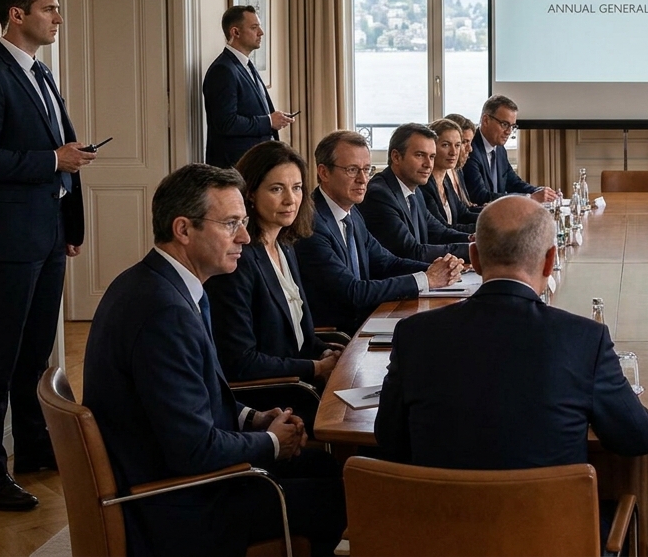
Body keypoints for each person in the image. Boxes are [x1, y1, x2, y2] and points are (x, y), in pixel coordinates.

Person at [83, 164, 345, 557]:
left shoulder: (163, 284)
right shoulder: (163, 312)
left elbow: (197, 397)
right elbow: (193, 450)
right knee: (341, 494)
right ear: (184, 230)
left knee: (332, 470)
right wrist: (272, 441)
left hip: (179, 474)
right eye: (230, 224)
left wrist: (253, 419)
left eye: (243, 222)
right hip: (179, 502)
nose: (244, 236)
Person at [374, 194, 648, 468]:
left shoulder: (415, 334)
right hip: (551, 515)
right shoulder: (585, 339)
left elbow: (389, 440)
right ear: (549, 260)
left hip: (438, 513)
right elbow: (636, 438)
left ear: (476, 257)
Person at [0, 0, 94, 511]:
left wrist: (71, 226)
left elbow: (59, 147)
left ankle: (35, 446)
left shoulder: (41, 73)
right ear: (17, 14)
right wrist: (51, 161)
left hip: (48, 233)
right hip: (6, 240)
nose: (57, 17)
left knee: (36, 353)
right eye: (49, 9)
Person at [204, 142, 340, 418]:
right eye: (277, 189)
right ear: (250, 194)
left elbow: (300, 334)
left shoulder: (286, 247)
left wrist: (326, 352)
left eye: (297, 187)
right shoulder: (238, 261)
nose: (291, 199)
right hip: (275, 397)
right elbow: (240, 362)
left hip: (301, 380)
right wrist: (315, 368)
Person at [296, 131, 463, 333]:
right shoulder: (311, 223)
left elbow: (386, 262)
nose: (363, 179)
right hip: (338, 335)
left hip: (367, 322)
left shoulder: (352, 213)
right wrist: (427, 279)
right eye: (352, 170)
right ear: (324, 173)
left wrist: (439, 269)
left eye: (367, 169)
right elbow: (353, 292)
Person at [358, 123, 471, 262]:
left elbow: (440, 233)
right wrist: (474, 250)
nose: (428, 164)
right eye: (420, 155)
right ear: (396, 157)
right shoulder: (379, 195)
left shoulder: (414, 191)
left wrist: (475, 240)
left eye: (431, 157)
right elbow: (411, 251)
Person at [203, 5, 295, 167]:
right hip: (235, 166)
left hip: (255, 162)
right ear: (235, 32)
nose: (261, 33)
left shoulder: (246, 64)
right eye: (254, 28)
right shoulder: (223, 70)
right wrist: (268, 121)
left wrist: (274, 119)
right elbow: (226, 123)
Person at [461, 95, 557, 204]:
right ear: (486, 120)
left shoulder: (500, 149)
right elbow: (480, 196)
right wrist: (529, 198)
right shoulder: (470, 150)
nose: (509, 131)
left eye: (512, 126)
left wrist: (538, 191)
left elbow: (514, 183)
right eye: (505, 124)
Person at [421, 118, 480, 231]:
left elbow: (464, 214)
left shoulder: (446, 179)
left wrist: (494, 218)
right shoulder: (425, 185)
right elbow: (443, 230)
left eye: (457, 145)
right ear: (432, 147)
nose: (453, 152)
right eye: (446, 145)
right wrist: (488, 228)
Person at [443, 113, 481, 209]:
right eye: (464, 142)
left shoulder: (458, 169)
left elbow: (464, 209)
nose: (470, 149)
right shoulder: (439, 175)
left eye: (470, 142)